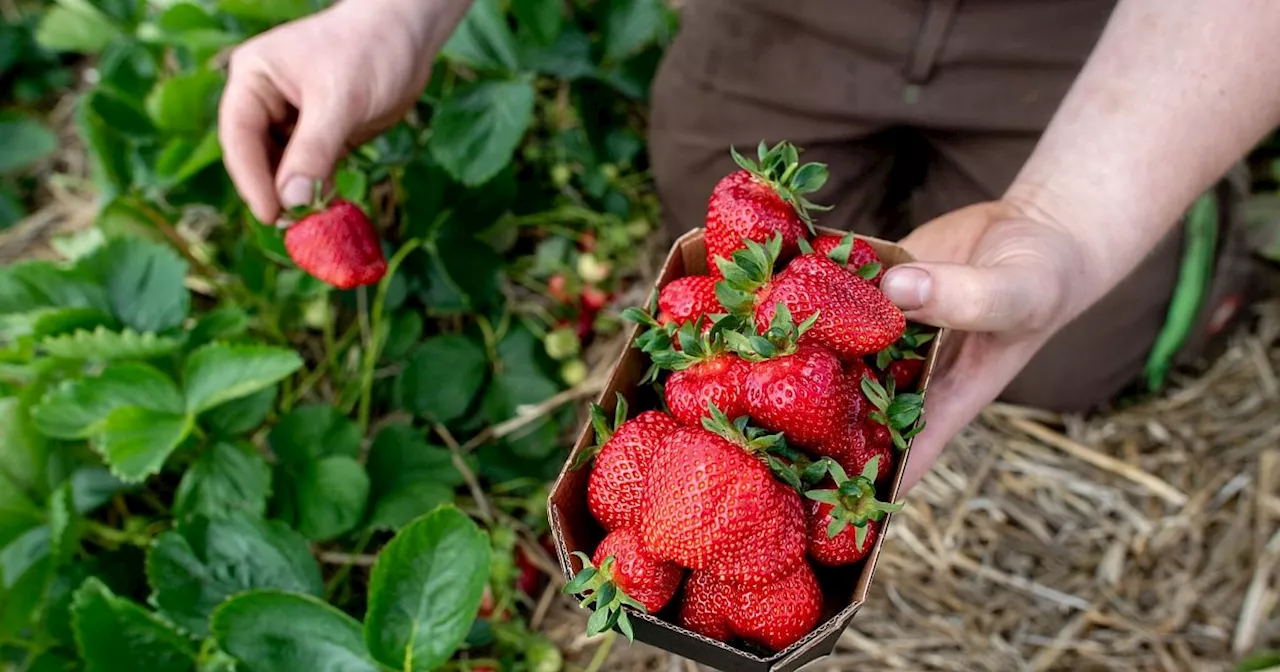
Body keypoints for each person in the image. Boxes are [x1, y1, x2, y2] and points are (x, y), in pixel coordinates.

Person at [217, 0, 1280, 493]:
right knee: (729, 211)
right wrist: (395, 16)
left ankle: (1214, 242)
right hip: (789, 14)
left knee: (1071, 347)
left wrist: (1068, 220)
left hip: (1096, 31)